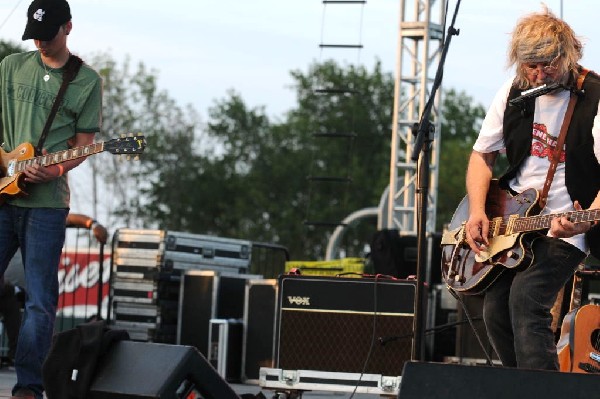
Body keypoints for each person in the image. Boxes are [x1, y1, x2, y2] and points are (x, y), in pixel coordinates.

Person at [464, 5, 600, 370]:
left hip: (567, 225)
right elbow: (482, 155)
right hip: (513, 219)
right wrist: (478, 210)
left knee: (526, 300)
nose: (539, 74)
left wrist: (585, 221)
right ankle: (519, 386)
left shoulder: (596, 98)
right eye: (530, 66)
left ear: (568, 54)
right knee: (495, 309)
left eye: (548, 65)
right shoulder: (513, 92)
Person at [0, 0, 102, 397]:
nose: (41, 41)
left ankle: (28, 387)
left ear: (69, 28)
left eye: (49, 34)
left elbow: (83, 145)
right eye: (35, 35)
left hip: (46, 205)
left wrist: (55, 169)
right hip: (3, 195)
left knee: (41, 302)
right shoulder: (10, 66)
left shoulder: (86, 81)